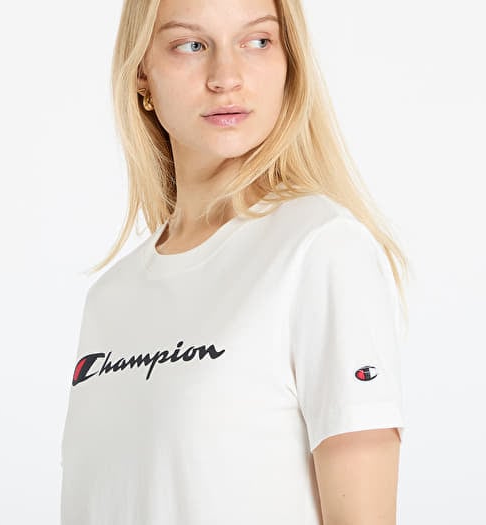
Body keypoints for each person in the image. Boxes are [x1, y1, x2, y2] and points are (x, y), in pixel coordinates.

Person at [60, 0, 410, 523]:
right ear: (142, 75)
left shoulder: (321, 249)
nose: (226, 77)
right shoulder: (111, 297)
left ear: (289, 62)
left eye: (257, 41)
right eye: (191, 45)